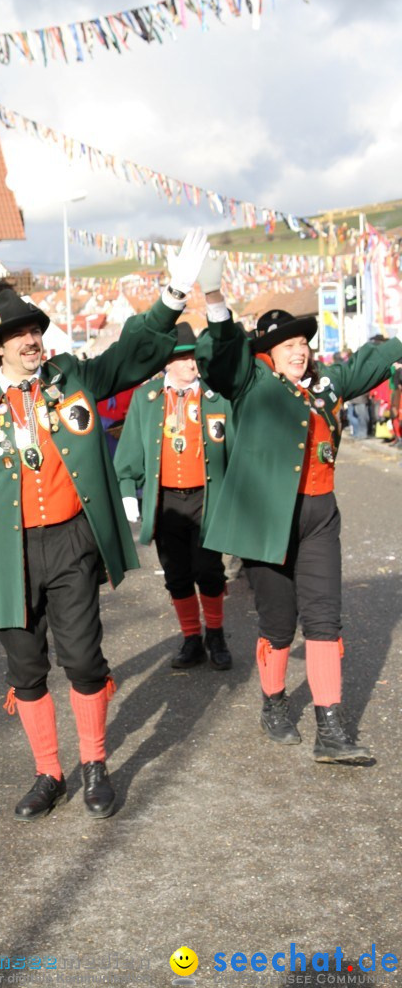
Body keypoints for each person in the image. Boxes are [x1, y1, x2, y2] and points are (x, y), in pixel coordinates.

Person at [0, 229, 210, 821]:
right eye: (18, 335)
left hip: (72, 540)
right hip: (10, 553)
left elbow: (132, 352)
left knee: (84, 660)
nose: (31, 341)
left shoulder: (70, 376)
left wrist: (171, 296)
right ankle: (49, 772)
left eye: (35, 331)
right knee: (25, 667)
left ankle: (94, 763)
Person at [196, 264, 402, 763]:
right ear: (266, 353)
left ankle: (330, 728)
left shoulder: (325, 382)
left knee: (325, 619)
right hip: (268, 519)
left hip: (319, 516)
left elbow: (377, 360)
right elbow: (219, 358)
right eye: (288, 344)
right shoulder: (249, 382)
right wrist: (216, 299)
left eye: (303, 342)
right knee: (279, 623)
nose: (301, 349)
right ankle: (273, 702)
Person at [114, 321, 233, 670]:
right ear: (166, 362)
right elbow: (130, 449)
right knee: (176, 574)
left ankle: (216, 634)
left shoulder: (216, 395)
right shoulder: (147, 397)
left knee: (209, 570)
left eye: (193, 357)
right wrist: (127, 491)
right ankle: (191, 638)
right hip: (165, 500)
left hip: (207, 498)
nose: (190, 364)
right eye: (181, 358)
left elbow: (235, 447)